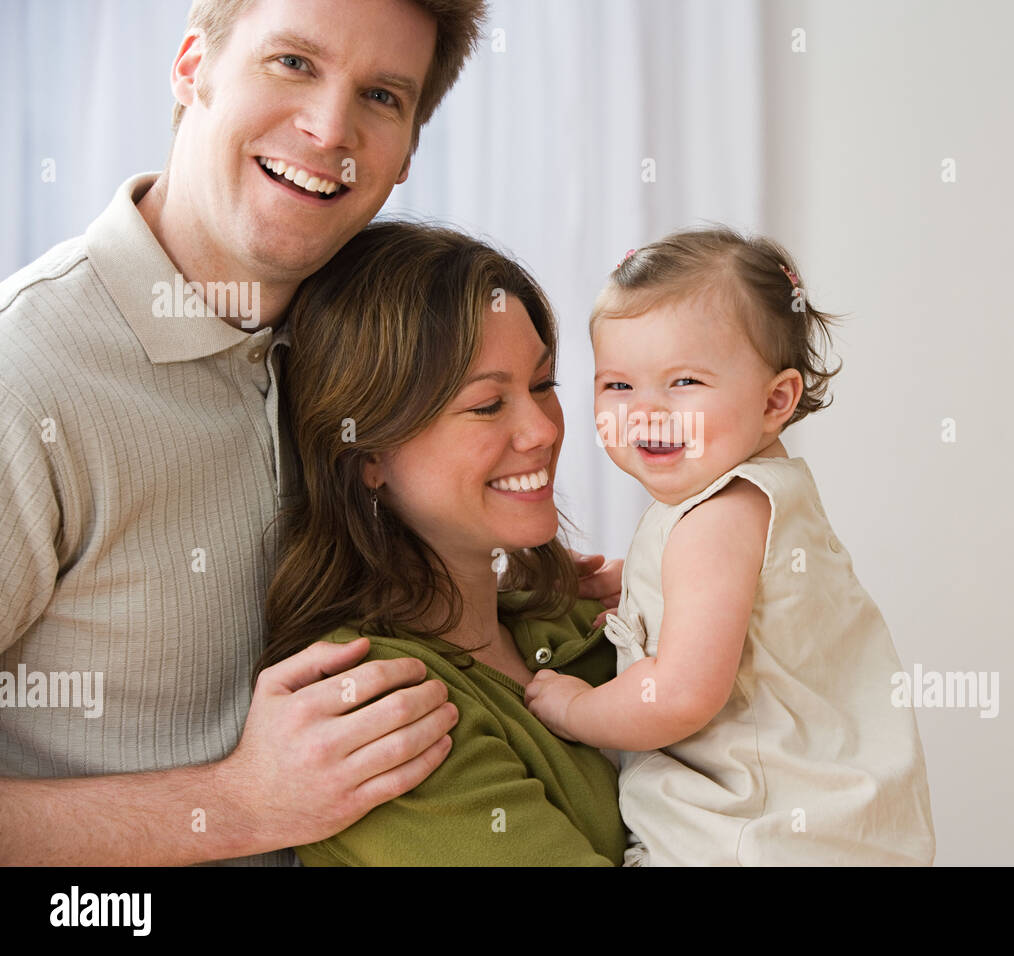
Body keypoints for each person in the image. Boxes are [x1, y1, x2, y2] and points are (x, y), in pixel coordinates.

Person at [0, 0, 618, 866]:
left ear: (407, 153)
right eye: (293, 63)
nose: (330, 128)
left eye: (382, 96)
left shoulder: (356, 345)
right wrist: (233, 804)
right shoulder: (24, 375)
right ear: (192, 66)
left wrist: (537, 602)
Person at [525, 227, 938, 865]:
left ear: (776, 400)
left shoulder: (716, 521)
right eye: (619, 386)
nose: (646, 412)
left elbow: (683, 694)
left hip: (749, 838)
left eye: (684, 382)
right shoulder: (762, 497)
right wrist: (640, 596)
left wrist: (577, 709)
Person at [260, 222, 626, 866]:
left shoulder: (572, 619)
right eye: (488, 406)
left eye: (544, 385)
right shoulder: (377, 706)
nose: (542, 430)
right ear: (369, 453)